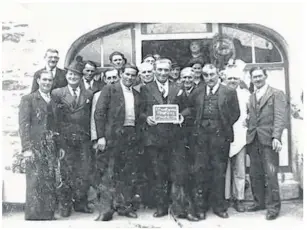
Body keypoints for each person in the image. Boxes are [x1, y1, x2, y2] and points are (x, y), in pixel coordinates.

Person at [181, 64, 240, 219]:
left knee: (219, 172)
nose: (209, 78)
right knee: (200, 172)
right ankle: (201, 208)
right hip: (200, 138)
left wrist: (222, 126)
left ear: (218, 75)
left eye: (212, 75)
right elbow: (191, 110)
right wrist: (182, 116)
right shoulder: (198, 91)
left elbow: (235, 113)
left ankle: (219, 207)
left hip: (220, 137)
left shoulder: (229, 92)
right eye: (206, 75)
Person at [140, 59, 190, 219]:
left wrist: (181, 116)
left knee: (178, 174)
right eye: (160, 70)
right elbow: (139, 110)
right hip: (155, 139)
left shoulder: (178, 87)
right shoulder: (146, 89)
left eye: (166, 70)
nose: (162, 73)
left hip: (175, 139)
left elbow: (189, 108)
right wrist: (146, 118)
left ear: (170, 71)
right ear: (154, 70)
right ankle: (161, 207)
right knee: (158, 174)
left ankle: (178, 207)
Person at [94, 64, 141, 221]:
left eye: (133, 75)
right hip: (112, 137)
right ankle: (106, 210)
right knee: (108, 174)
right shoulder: (110, 89)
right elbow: (99, 113)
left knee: (127, 174)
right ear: (121, 74)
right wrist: (101, 137)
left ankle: (124, 207)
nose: (129, 77)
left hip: (130, 136)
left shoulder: (136, 93)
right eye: (127, 74)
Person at [52, 61, 94, 217]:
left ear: (81, 77)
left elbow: (92, 117)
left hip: (84, 139)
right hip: (65, 140)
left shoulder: (88, 94)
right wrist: (59, 142)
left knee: (84, 172)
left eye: (76, 75)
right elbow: (54, 118)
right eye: (70, 74)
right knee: (66, 172)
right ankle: (65, 205)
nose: (73, 77)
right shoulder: (57, 93)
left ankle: (81, 203)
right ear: (66, 76)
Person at [19, 70, 62, 220]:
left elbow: (59, 124)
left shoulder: (55, 100)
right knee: (35, 179)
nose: (47, 83)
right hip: (35, 145)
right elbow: (24, 125)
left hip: (51, 145)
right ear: (38, 80)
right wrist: (26, 148)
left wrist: (59, 146)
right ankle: (34, 214)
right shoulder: (29, 99)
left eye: (50, 80)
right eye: (44, 80)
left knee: (49, 178)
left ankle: (48, 213)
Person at [246, 67, 287, 220]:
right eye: (254, 77)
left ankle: (273, 207)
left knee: (270, 174)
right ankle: (259, 202)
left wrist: (276, 137)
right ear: (251, 79)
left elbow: (280, 117)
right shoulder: (251, 96)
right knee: (255, 173)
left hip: (269, 140)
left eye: (259, 76)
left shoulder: (276, 94)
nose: (257, 79)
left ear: (265, 76)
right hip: (253, 139)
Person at [223, 66, 250, 212]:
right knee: (225, 169)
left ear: (239, 80)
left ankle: (239, 198)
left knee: (240, 169)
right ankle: (226, 198)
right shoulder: (221, 92)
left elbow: (251, 111)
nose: (232, 81)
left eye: (235, 78)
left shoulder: (245, 95)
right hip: (223, 135)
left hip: (240, 135)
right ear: (225, 80)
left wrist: (249, 120)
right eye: (230, 78)